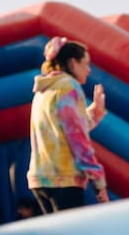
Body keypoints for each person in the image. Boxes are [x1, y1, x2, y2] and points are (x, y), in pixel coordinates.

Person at [27, 37, 109, 213]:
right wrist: (98, 180)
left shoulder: (44, 89)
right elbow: (76, 137)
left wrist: (95, 112)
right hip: (63, 179)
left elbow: (65, 128)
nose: (88, 70)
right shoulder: (68, 86)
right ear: (72, 63)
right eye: (85, 64)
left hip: (40, 179)